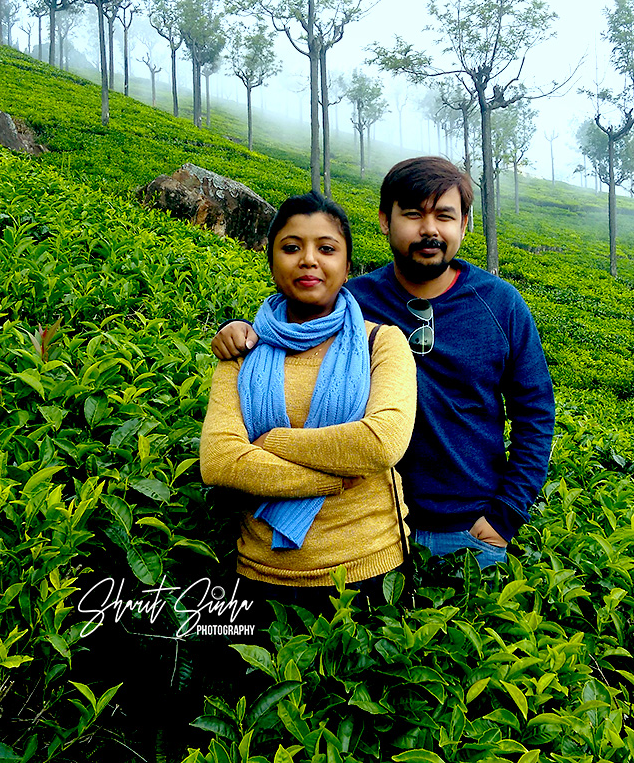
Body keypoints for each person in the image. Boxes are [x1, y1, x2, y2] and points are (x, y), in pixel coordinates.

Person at [212, 157, 555, 569]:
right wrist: (238, 330)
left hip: (468, 532)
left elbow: (535, 414)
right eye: (413, 214)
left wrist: (506, 515)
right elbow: (289, 332)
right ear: (384, 221)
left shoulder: (501, 305)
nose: (429, 229)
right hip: (366, 530)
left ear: (464, 225)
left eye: (444, 216)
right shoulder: (351, 302)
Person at [199, 191, 417, 609]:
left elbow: (380, 443)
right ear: (271, 260)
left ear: (347, 265)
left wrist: (271, 443)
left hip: (371, 569)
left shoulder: (382, 343)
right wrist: (336, 479)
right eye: (292, 247)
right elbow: (220, 460)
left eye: (327, 248)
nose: (308, 259)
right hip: (261, 573)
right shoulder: (241, 349)